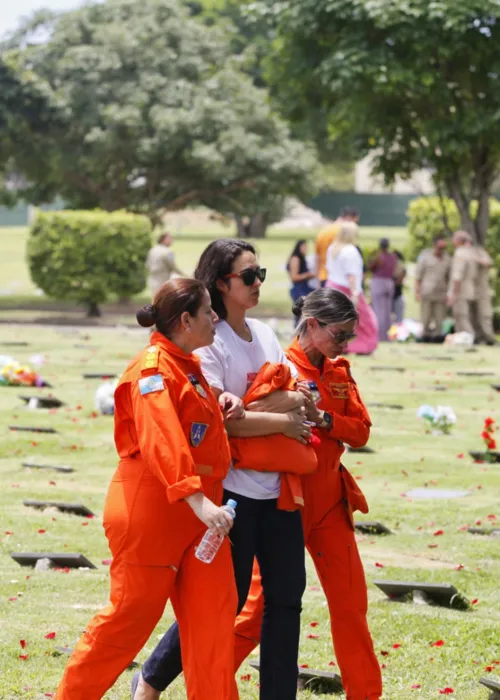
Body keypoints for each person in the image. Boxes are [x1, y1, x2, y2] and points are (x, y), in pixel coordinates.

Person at [133, 239, 312, 700]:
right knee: (222, 602)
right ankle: (150, 679)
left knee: (287, 600)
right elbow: (222, 424)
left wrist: (270, 408)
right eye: (247, 276)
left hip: (279, 490)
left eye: (260, 275)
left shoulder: (268, 335)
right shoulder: (210, 343)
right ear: (220, 284)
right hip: (232, 495)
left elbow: (297, 394)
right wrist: (283, 419)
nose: (257, 284)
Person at [55, 278, 244, 700]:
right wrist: (197, 500)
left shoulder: (187, 363)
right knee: (130, 620)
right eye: (209, 310)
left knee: (213, 622)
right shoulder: (152, 369)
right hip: (155, 507)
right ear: (185, 319)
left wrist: (223, 402)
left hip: (200, 515)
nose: (216, 317)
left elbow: (193, 425)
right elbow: (163, 439)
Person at [232, 288, 383, 700]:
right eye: (339, 335)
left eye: (350, 336)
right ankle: (205, 676)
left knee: (351, 605)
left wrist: (325, 418)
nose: (345, 344)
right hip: (287, 502)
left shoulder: (338, 371)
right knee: (255, 612)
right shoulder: (279, 367)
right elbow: (250, 417)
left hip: (331, 503)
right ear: (312, 325)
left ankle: (366, 695)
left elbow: (361, 430)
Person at [326, 221, 378, 355]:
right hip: (348, 289)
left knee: (337, 321)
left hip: (332, 286)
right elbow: (351, 275)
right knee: (365, 321)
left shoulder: (333, 248)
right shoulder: (351, 251)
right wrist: (355, 293)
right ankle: (361, 347)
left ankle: (338, 345)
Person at [415, 234, 451, 341]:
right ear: (434, 246)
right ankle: (424, 336)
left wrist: (449, 293)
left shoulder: (447, 259)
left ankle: (437, 337)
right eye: (440, 248)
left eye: (443, 248)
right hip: (427, 291)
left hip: (441, 292)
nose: (442, 250)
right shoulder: (425, 257)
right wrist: (417, 292)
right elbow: (418, 276)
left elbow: (449, 277)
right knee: (425, 317)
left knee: (440, 318)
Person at [315, 207, 359, 288]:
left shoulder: (323, 232)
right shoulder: (344, 233)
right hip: (340, 281)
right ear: (349, 218)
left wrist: (317, 278)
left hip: (323, 277)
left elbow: (317, 258)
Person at [447, 230, 478, 335]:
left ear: (459, 240)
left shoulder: (460, 253)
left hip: (460, 290)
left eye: (454, 238)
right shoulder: (470, 252)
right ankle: (462, 338)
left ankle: (469, 337)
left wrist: (454, 294)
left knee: (461, 316)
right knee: (462, 316)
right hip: (468, 289)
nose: (452, 240)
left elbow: (457, 276)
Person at [369, 238, 398, 341]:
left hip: (379, 283)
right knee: (387, 311)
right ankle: (387, 336)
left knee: (378, 311)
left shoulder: (379, 257)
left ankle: (379, 336)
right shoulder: (393, 257)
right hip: (389, 283)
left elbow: (372, 267)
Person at [471, 245, 496, 345]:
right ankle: (477, 337)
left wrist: (475, 258)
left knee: (484, 315)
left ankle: (489, 338)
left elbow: (489, 263)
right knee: (473, 316)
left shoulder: (480, 251)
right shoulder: (462, 253)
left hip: (482, 290)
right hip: (470, 290)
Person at [287, 239, 316, 323]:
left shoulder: (302, 258)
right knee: (300, 313)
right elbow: (294, 277)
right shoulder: (295, 259)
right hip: (299, 289)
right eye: (304, 247)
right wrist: (307, 275)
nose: (305, 249)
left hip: (304, 287)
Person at [392, 250, 406, 323]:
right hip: (390, 296)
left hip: (397, 295)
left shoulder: (401, 268)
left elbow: (399, 280)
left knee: (399, 319)